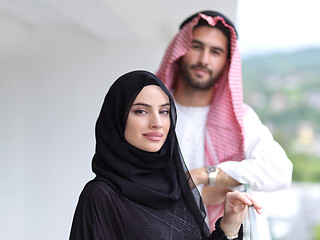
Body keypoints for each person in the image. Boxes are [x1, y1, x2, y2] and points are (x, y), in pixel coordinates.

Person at [69, 70, 262, 240]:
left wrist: (230, 224)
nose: (157, 123)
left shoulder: (175, 188)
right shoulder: (100, 197)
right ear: (117, 118)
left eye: (164, 111)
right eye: (141, 111)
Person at [156, 10, 293, 230]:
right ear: (180, 50)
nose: (204, 60)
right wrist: (199, 193)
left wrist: (205, 175)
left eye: (216, 52)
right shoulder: (152, 111)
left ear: (226, 62)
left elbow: (280, 172)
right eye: (196, 46)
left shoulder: (240, 118)